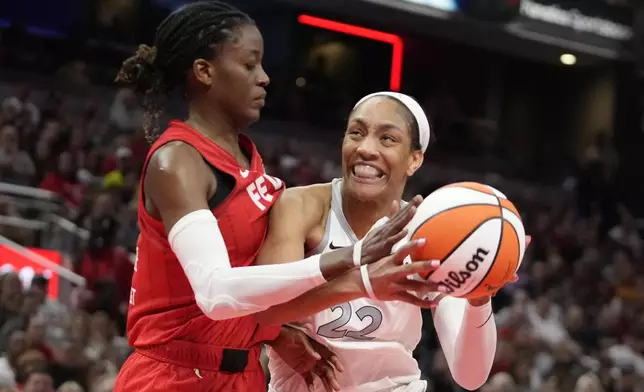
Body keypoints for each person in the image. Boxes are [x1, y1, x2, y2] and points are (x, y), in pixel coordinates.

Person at [113, 3, 439, 391]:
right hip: (173, 373)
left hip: (244, 374)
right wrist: (353, 260)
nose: (264, 78)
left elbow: (258, 285)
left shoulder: (248, 161)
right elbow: (216, 291)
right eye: (250, 65)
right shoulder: (176, 161)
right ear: (205, 72)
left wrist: (276, 334)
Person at [260, 92, 518, 391]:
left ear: (415, 159)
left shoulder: (432, 232)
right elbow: (264, 309)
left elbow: (470, 376)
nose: (366, 148)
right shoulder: (300, 206)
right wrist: (364, 280)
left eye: (387, 139)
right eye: (356, 132)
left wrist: (479, 298)